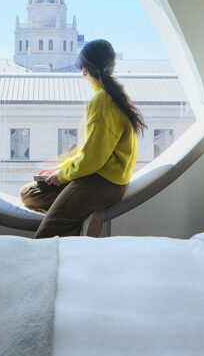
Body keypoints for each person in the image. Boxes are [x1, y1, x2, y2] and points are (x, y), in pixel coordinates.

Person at [19, 39, 146, 237]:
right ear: (112, 66)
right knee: (29, 194)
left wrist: (62, 176)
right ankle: (83, 211)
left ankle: (79, 211)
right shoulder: (114, 95)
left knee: (45, 235)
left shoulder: (102, 101)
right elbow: (91, 151)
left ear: (84, 70)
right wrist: (62, 170)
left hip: (102, 182)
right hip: (101, 176)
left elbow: (92, 159)